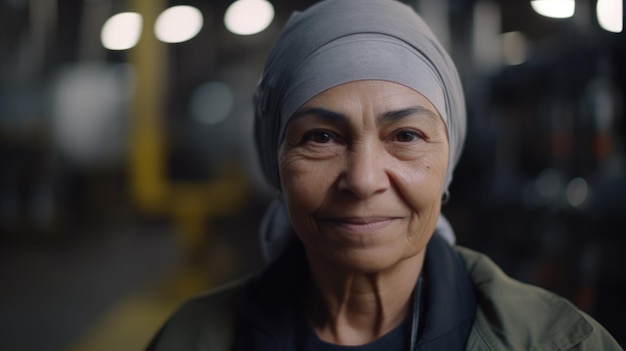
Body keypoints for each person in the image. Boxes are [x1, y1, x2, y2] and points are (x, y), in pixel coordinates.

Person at [146, 0, 622, 349]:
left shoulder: (559, 344)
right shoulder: (190, 339)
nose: (364, 179)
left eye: (406, 136)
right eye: (321, 138)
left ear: (448, 163)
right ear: (275, 165)